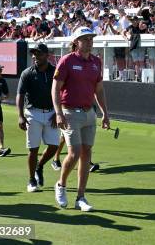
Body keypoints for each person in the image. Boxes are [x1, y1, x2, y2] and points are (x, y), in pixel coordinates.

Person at [52, 26, 110, 212]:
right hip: (69, 112)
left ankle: (80, 197)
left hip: (89, 113)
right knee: (74, 153)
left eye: (91, 38)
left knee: (87, 154)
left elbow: (99, 90)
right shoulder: (67, 61)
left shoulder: (96, 62)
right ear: (76, 42)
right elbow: (55, 88)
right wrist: (59, 112)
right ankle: (61, 185)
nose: (89, 42)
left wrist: (105, 113)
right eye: (85, 39)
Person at [16, 43, 59, 192]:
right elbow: (20, 95)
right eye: (33, 54)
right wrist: (20, 116)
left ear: (47, 55)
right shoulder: (27, 73)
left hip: (52, 114)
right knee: (33, 149)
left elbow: (63, 93)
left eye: (39, 54)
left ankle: (39, 166)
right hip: (32, 113)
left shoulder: (56, 72)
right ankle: (31, 180)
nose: (35, 56)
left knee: (54, 146)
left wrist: (58, 113)